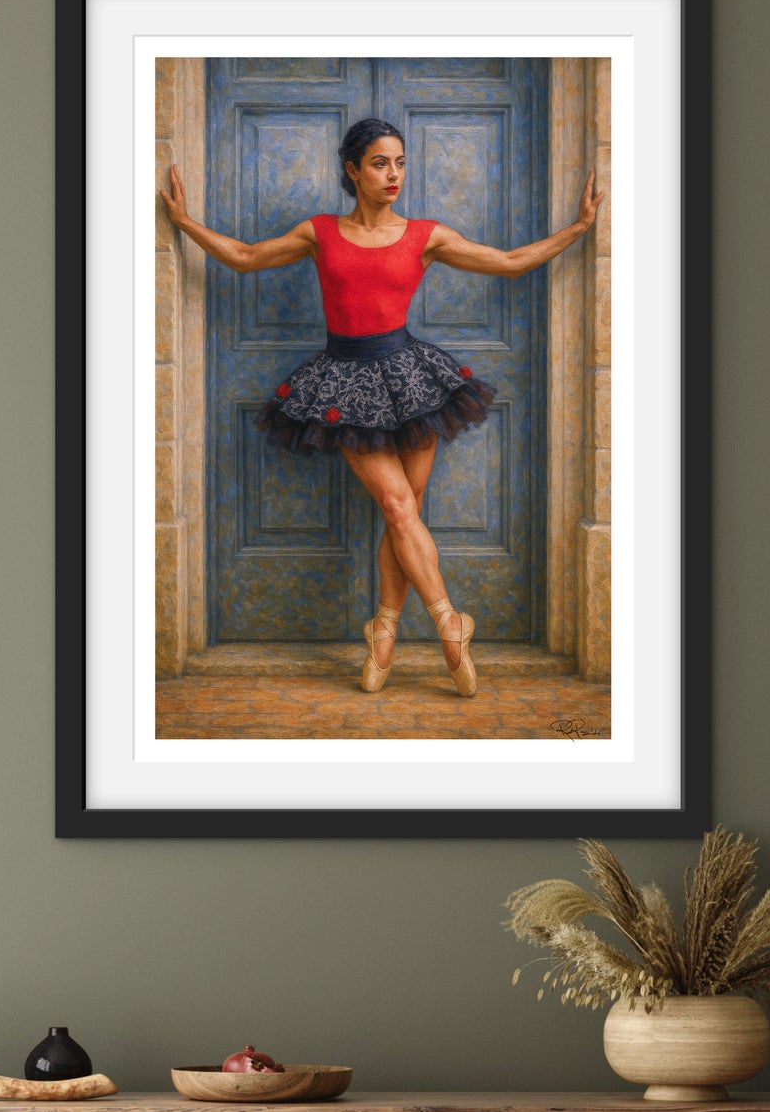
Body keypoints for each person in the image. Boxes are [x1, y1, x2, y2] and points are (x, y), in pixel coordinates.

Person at [161, 117, 602, 695]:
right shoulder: (319, 231)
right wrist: (184, 222)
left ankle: (384, 633)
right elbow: (245, 256)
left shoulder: (427, 235)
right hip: (343, 380)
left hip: (410, 377)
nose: (393, 174)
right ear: (352, 170)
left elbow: (512, 261)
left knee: (406, 511)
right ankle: (451, 623)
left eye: (399, 162)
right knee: (398, 505)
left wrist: (580, 227)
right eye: (379, 163)